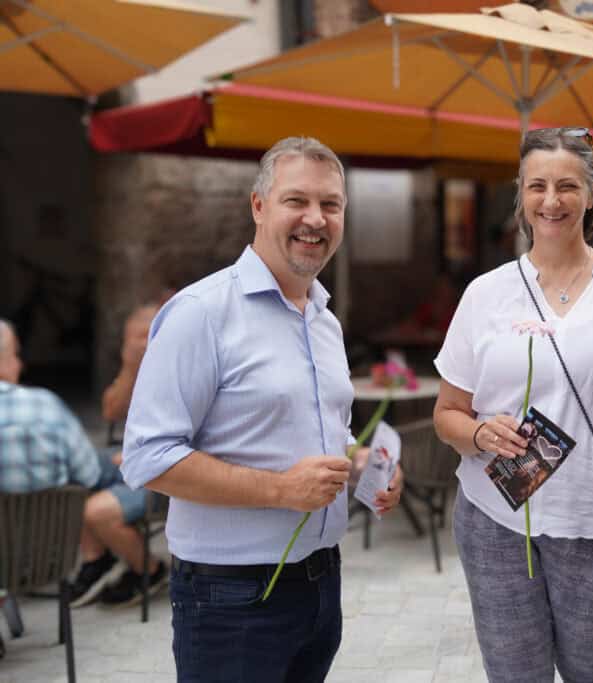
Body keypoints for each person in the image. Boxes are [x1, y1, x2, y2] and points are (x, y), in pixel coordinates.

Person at [120, 136, 402, 683]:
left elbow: (314, 435)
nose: (315, 219)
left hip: (321, 583)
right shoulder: (200, 313)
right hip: (230, 596)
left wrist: (362, 462)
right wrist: (280, 490)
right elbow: (146, 458)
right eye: (297, 200)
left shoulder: (323, 317)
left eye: (331, 204)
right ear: (258, 206)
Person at [433, 127, 593, 682]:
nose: (552, 201)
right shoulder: (486, 293)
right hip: (495, 518)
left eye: (567, 186)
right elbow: (447, 413)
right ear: (521, 196)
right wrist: (480, 435)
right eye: (538, 187)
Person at [68, 302, 167, 609]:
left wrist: (143, 453)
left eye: (142, 336)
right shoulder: (136, 366)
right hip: (131, 457)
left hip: (167, 470)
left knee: (95, 511)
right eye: (130, 338)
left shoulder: (185, 364)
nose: (138, 344)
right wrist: (130, 364)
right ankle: (98, 559)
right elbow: (111, 411)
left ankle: (149, 569)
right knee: (72, 472)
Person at [0, 318, 102, 493]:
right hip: (53, 518)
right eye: (16, 355)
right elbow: (90, 476)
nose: (20, 365)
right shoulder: (45, 406)